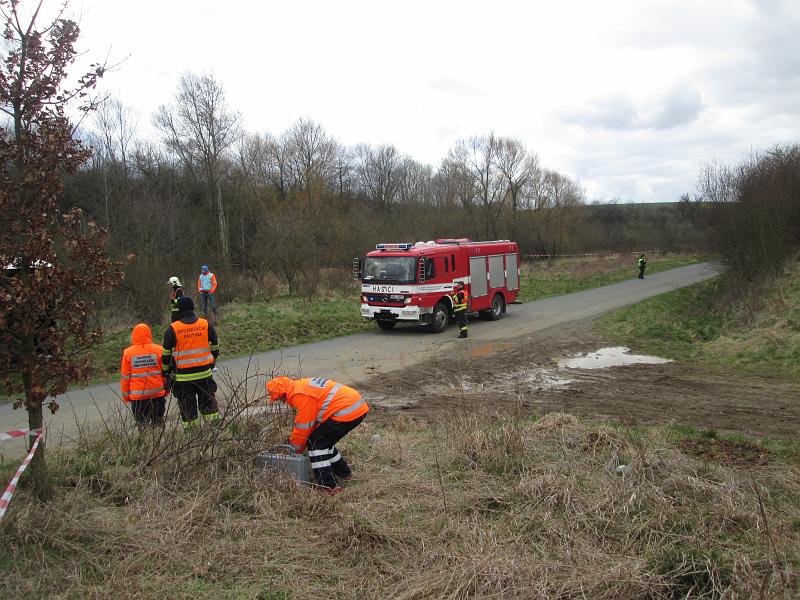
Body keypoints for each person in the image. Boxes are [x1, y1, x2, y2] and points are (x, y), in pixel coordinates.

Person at [266, 376, 369, 494]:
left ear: (282, 393)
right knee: (324, 442)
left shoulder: (299, 395)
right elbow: (312, 421)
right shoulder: (300, 385)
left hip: (347, 411)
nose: (282, 401)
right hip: (356, 406)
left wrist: (295, 449)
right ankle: (344, 473)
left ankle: (328, 487)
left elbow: (304, 426)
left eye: (279, 398)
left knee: (315, 445)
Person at [162, 296, 220, 431]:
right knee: (210, 409)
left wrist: (166, 372)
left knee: (189, 413)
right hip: (205, 376)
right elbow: (215, 349)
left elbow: (166, 356)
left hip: (183, 380)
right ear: (193, 309)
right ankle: (214, 433)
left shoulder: (172, 329)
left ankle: (192, 439)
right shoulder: (205, 325)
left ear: (179, 310)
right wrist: (210, 365)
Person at [120, 323, 167, 427]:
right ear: (149, 334)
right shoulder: (159, 350)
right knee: (158, 422)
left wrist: (126, 397)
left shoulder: (128, 353)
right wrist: (166, 391)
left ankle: (145, 441)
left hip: (138, 398)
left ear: (133, 336)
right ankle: (161, 441)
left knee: (142, 424)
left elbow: (125, 378)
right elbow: (165, 373)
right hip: (158, 395)